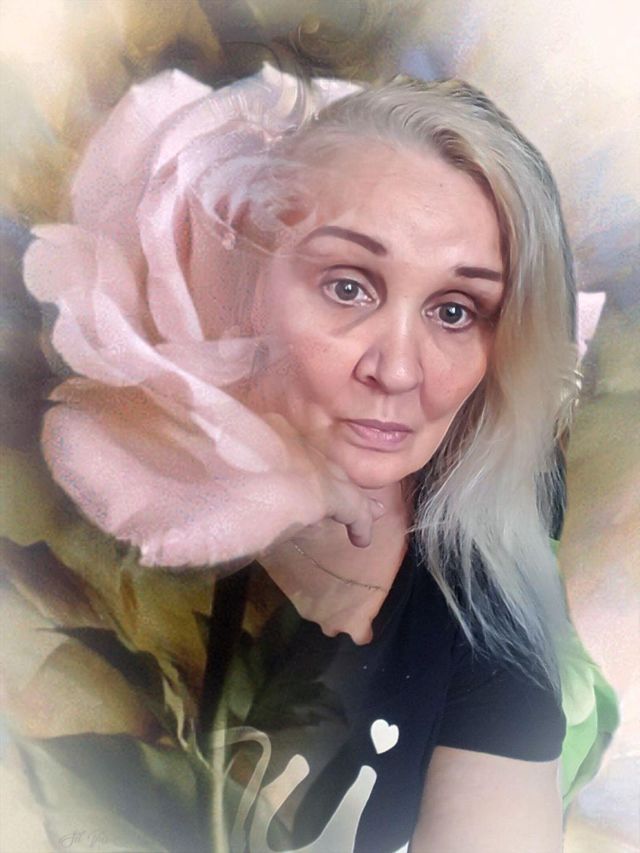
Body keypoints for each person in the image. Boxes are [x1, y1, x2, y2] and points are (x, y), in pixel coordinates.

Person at [13, 66, 585, 853]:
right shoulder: (78, 529)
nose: (398, 369)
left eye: (456, 311)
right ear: (247, 273)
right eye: (349, 287)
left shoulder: (486, 590)